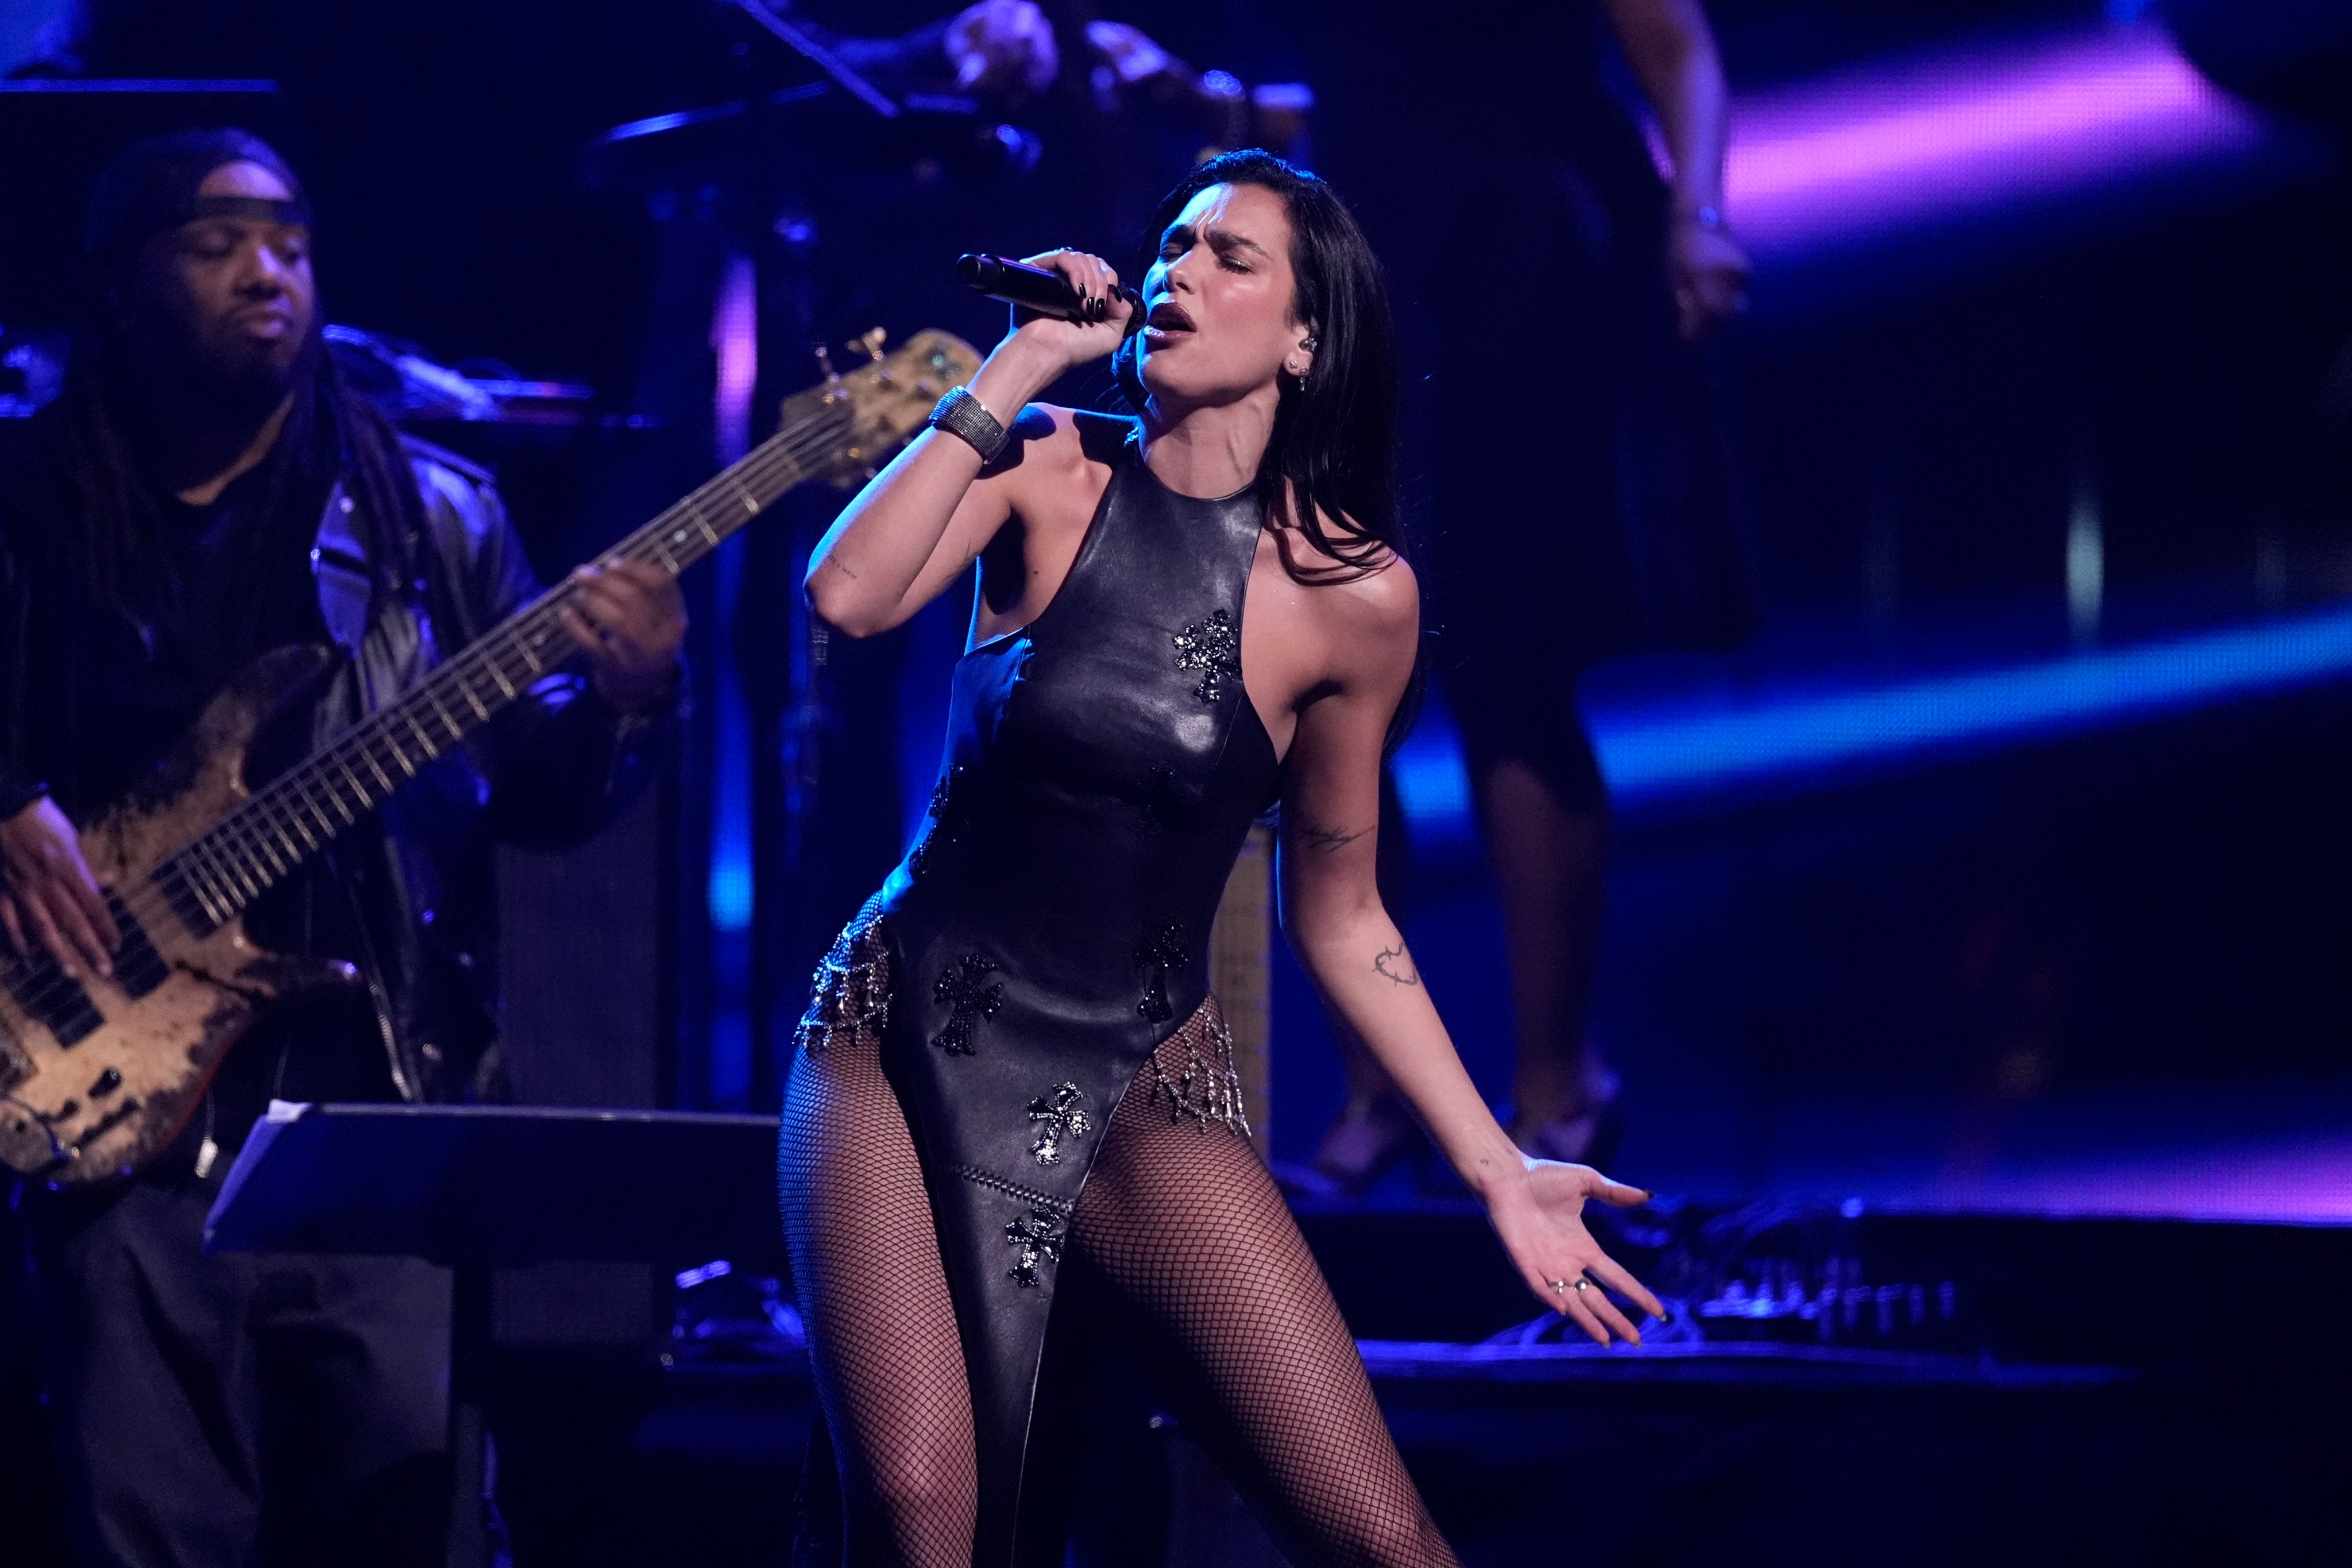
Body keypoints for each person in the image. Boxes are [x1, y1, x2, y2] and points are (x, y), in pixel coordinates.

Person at [785, 148, 1662, 1568]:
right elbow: (849, 591)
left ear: (1306, 339)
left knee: (1390, 1543)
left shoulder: (1355, 597)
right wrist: (1010, 370)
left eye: (1227, 257)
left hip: (1141, 1079)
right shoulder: (1043, 466)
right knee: (924, 1513)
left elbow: (1344, 912)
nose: (1176, 274)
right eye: (1171, 246)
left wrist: (1495, 1163)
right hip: (895, 1039)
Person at [0, 130, 685, 1568]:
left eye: (294, 246)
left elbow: (535, 802)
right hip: (114, 1131)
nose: (270, 273)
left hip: (370, 1114)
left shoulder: (427, 514)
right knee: (142, 1534)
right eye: (219, 243)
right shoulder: (27, 502)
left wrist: (627, 704)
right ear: (121, 287)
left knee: (395, 1528)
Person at [1307, 0, 1755, 1189]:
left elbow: (1673, 43)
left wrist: (1696, 216)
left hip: (1516, 254)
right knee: (1329, 689)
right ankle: (1378, 1089)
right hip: (1355, 263)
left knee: (1509, 663)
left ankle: (1557, 1082)